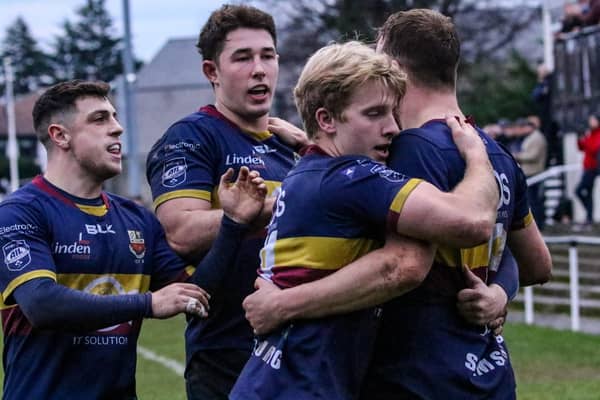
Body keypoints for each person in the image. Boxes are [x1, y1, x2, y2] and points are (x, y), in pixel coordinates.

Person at [242, 9, 552, 400]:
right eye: (374, 113)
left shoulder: (408, 149)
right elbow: (536, 263)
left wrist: (284, 304)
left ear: (392, 67)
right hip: (489, 374)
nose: (387, 124)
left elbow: (405, 264)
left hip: (417, 377)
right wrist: (500, 293)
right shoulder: (499, 154)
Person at [0, 80, 267, 399]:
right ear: (60, 135)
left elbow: (197, 294)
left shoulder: (137, 219)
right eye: (99, 119)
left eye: (114, 117)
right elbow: (42, 305)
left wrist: (233, 223)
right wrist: (149, 303)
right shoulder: (20, 213)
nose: (118, 128)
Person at [145, 4, 298, 399]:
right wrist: (279, 202)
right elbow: (181, 232)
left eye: (267, 56)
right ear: (211, 72)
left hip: (298, 343)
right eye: (243, 58)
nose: (259, 69)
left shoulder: (290, 147)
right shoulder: (192, 137)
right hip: (227, 350)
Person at [512, 116, 548, 229]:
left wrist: (517, 156)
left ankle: (539, 225)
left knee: (535, 200)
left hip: (535, 173)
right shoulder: (531, 137)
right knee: (531, 200)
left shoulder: (537, 138)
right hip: (529, 173)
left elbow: (533, 155)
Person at [575, 114, 600, 229]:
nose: (590, 122)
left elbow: (593, 148)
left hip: (593, 168)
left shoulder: (597, 134)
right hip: (587, 167)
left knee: (580, 190)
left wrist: (584, 139)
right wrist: (579, 137)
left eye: (592, 120)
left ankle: (589, 216)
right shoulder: (590, 133)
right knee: (587, 193)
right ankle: (589, 218)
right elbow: (581, 148)